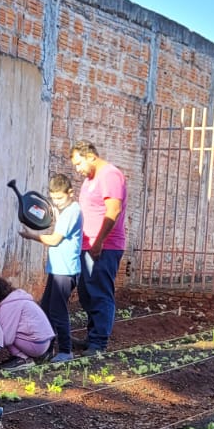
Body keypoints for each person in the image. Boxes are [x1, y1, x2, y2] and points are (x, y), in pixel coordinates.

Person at [70, 140, 127, 354]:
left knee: (100, 293)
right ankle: (92, 337)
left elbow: (113, 210)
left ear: (91, 156)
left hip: (105, 246)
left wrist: (99, 241)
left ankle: (98, 343)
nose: (78, 170)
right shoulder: (90, 179)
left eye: (79, 163)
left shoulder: (110, 175)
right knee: (87, 292)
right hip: (88, 244)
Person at [18, 172, 80, 363]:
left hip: (65, 271)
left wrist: (32, 236)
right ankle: (47, 348)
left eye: (60, 198)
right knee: (45, 309)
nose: (57, 202)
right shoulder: (64, 210)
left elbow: (54, 240)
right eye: (54, 198)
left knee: (57, 311)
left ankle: (66, 350)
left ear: (70, 192)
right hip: (57, 269)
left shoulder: (72, 211)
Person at [0, 277, 56, 368]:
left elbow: (6, 338)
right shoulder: (16, 299)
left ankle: (23, 359)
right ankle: (29, 356)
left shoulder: (8, 306)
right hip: (43, 343)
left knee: (4, 334)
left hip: (36, 345)